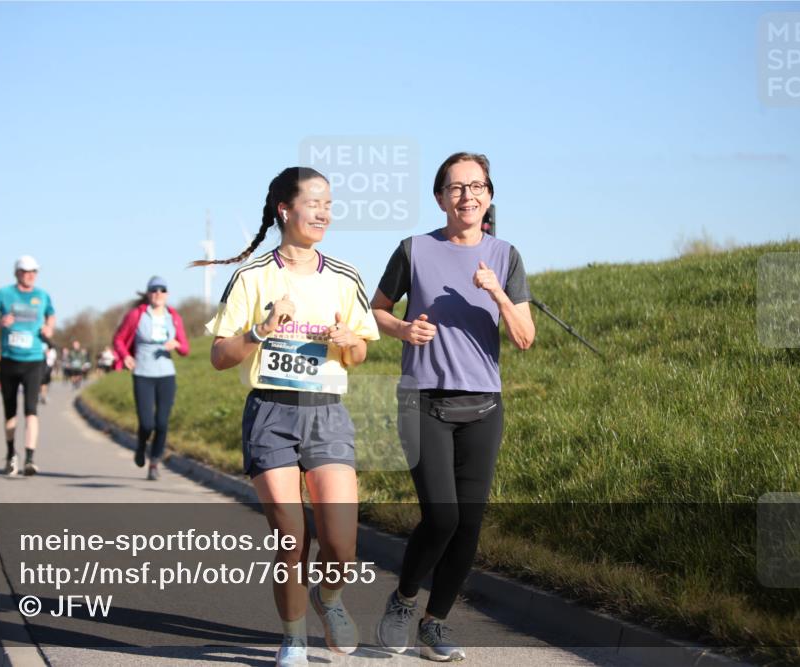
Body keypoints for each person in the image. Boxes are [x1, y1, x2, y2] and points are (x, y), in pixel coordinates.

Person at [199, 167, 379, 667]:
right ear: (285, 210)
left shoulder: (346, 277)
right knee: (290, 537)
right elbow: (218, 356)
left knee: (341, 543)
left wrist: (351, 344)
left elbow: (360, 351)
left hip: (326, 413)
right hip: (271, 412)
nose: (325, 212)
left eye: (329, 203)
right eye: (314, 202)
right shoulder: (252, 277)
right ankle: (293, 638)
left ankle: (331, 598)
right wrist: (259, 331)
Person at [371, 152, 536, 661]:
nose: (468, 195)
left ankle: (435, 623)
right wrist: (402, 327)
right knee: (441, 516)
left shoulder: (505, 256)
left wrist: (497, 295)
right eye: (456, 187)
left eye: (477, 185)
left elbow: (525, 337)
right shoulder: (413, 249)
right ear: (440, 197)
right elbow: (375, 310)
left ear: (489, 195)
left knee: (469, 524)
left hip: (484, 405)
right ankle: (401, 602)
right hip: (422, 399)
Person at [112, 276, 190, 480]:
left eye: (162, 290)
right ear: (148, 294)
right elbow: (118, 339)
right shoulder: (137, 315)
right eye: (154, 290)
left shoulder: (173, 316)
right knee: (147, 424)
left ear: (167, 294)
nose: (158, 293)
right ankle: (140, 446)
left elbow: (185, 349)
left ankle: (154, 462)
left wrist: (177, 345)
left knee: (162, 423)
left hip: (166, 375)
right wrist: (126, 356)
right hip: (143, 374)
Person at [0, 255, 56, 476]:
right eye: (26, 272)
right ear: (17, 273)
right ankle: (10, 454)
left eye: (34, 272)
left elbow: (51, 316)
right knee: (10, 412)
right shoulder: (4, 294)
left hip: (34, 360)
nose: (30, 276)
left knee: (31, 410)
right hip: (9, 359)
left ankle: (30, 458)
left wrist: (49, 329)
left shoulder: (42, 295)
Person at [40, 339, 56, 404]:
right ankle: (42, 395)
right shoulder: (40, 349)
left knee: (45, 382)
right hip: (40, 367)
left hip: (48, 367)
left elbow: (52, 360)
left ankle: (43, 395)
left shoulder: (52, 351)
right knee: (40, 382)